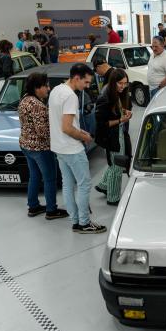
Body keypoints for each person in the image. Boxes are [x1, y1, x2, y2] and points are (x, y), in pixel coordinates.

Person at [48, 63, 105, 233]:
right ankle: (84, 223)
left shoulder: (56, 90)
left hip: (59, 147)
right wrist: (84, 136)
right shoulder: (71, 96)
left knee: (67, 184)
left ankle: (75, 220)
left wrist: (80, 130)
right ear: (76, 78)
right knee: (84, 184)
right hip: (72, 148)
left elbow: (62, 123)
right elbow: (66, 127)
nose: (87, 86)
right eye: (86, 83)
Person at [18, 73, 69, 220]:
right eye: (45, 86)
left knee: (34, 176)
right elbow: (43, 133)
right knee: (50, 179)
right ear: (36, 88)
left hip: (26, 145)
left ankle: (33, 206)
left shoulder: (24, 100)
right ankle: (51, 210)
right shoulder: (38, 106)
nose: (48, 88)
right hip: (40, 148)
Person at [94, 68, 133, 205]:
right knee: (117, 165)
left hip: (119, 133)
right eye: (120, 83)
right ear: (113, 82)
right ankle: (113, 198)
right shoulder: (105, 97)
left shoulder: (116, 93)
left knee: (114, 162)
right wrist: (121, 120)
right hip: (111, 136)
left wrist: (125, 111)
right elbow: (102, 123)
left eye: (125, 83)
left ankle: (104, 185)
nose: (123, 86)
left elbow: (116, 109)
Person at [147, 35, 166, 100]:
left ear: (162, 45)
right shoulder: (153, 54)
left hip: (159, 89)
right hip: (152, 88)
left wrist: (160, 86)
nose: (154, 48)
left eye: (156, 46)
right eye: (152, 46)